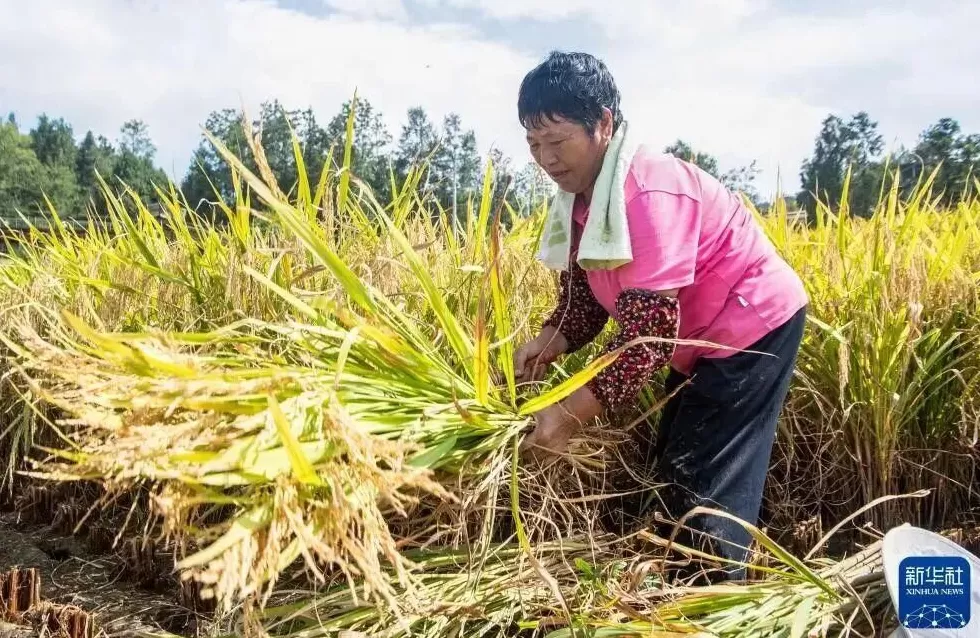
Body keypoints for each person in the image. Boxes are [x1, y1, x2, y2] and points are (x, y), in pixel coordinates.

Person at [513, 51, 809, 580]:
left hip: (749, 327)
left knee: (704, 479)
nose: (547, 160)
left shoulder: (646, 193)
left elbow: (646, 337)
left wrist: (564, 414)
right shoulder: (583, 200)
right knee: (678, 461)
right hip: (696, 336)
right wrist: (551, 338)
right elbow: (585, 292)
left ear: (603, 123)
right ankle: (694, 585)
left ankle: (717, 603)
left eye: (557, 143)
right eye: (535, 145)